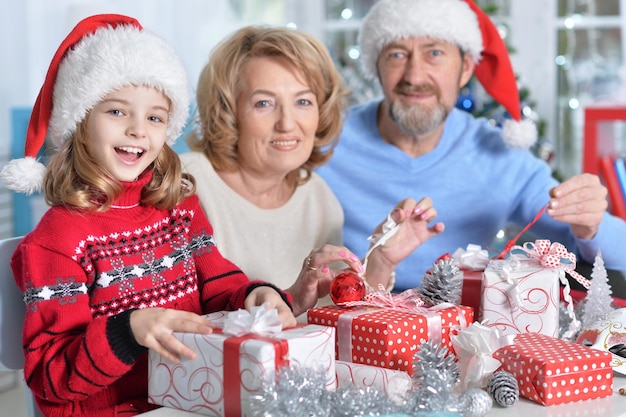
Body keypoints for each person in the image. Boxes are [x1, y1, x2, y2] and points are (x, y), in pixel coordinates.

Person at [0, 15, 298, 417]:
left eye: (155, 117)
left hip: (196, 400)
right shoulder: (57, 241)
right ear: (79, 123)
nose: (139, 130)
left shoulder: (179, 211)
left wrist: (254, 295)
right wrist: (130, 330)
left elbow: (218, 288)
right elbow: (51, 380)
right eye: (118, 112)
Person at [316, 0, 626, 292]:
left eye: (434, 53)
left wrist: (591, 224)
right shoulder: (323, 141)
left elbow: (618, 255)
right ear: (376, 66)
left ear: (465, 68)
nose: (414, 75)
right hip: (349, 325)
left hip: (468, 337)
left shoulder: (498, 154)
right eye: (397, 54)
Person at [180, 25, 444, 298]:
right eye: (263, 104)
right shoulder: (185, 186)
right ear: (228, 112)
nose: (287, 124)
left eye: (303, 102)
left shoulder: (318, 198)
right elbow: (181, 323)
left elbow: (332, 315)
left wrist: (380, 263)